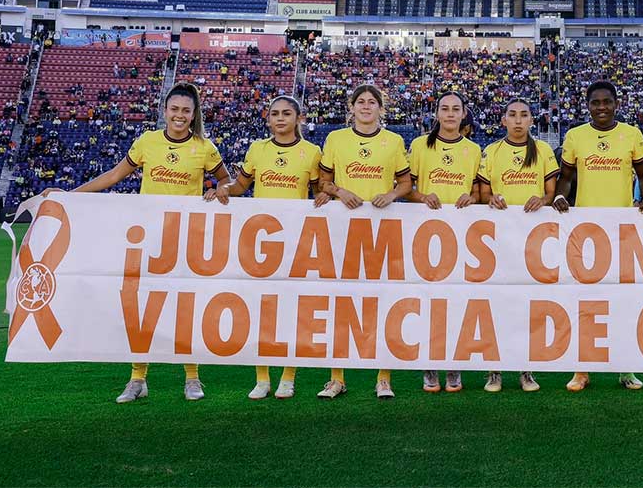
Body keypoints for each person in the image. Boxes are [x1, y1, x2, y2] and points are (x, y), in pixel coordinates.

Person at [41, 82, 229, 404]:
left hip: (185, 240)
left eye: (186, 110)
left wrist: (218, 189)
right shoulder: (148, 142)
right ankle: (138, 378)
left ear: (194, 114)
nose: (179, 115)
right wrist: (69, 196)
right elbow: (114, 175)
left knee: (184, 307)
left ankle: (192, 377)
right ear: (165, 111)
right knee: (144, 308)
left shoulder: (204, 148)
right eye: (175, 109)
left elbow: (226, 179)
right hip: (148, 238)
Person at [204, 96, 325, 400]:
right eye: (275, 114)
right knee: (262, 311)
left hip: (296, 240)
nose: (280, 118)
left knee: (291, 311)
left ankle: (288, 376)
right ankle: (262, 378)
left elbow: (318, 193)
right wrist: (223, 187)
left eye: (287, 113)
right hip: (261, 240)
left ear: (299, 117)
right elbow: (241, 185)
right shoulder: (258, 149)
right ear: (267, 119)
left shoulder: (312, 152)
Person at [553, 80, 643, 392]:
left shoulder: (632, 134)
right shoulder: (575, 136)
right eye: (595, 102)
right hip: (586, 230)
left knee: (622, 301)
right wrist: (560, 197)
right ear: (588, 105)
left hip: (623, 231)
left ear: (616, 103)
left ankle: (625, 368)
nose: (601, 108)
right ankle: (581, 369)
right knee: (585, 302)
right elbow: (566, 178)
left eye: (606, 102)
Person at [316, 84, 413, 399]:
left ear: (381, 109)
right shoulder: (336, 139)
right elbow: (323, 181)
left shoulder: (394, 141)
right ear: (352, 107)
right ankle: (337, 378)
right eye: (361, 102)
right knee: (342, 304)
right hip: (343, 230)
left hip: (383, 232)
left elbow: (406, 182)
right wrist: (340, 192)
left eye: (372, 102)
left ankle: (383, 378)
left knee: (381, 303)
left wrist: (391, 194)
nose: (366, 106)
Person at [477, 98, 560, 393]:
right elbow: (484, 192)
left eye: (523, 115)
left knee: (529, 305)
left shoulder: (544, 151)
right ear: (503, 120)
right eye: (512, 115)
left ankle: (526, 369)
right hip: (499, 240)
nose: (517, 120)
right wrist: (491, 199)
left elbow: (551, 192)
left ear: (531, 120)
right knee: (496, 303)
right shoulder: (492, 151)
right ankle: (494, 370)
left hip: (533, 240)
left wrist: (543, 200)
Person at [408, 92, 482, 394]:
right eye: (444, 109)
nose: (450, 114)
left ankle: (454, 364)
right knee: (428, 301)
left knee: (456, 302)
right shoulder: (419, 146)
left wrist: (472, 197)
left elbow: (480, 193)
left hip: (461, 235)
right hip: (426, 234)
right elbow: (405, 188)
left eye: (456, 109)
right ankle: (429, 364)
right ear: (436, 113)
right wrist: (423, 196)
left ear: (463, 114)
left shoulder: (474, 149)